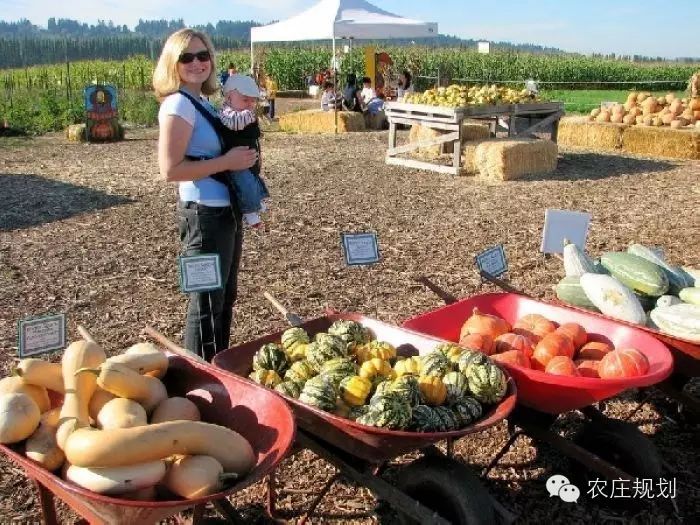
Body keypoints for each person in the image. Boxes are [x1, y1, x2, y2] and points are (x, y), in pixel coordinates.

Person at [154, 28, 257, 360]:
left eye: (203, 55)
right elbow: (170, 169)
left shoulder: (202, 103)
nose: (197, 63)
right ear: (173, 63)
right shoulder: (177, 105)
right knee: (205, 304)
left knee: (224, 297)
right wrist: (226, 161)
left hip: (223, 212)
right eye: (187, 57)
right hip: (203, 215)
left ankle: (218, 366)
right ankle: (202, 377)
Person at [219, 73, 269, 228]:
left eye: (252, 101)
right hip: (236, 161)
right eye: (245, 100)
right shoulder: (227, 114)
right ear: (228, 99)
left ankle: (256, 201)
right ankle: (249, 210)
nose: (249, 104)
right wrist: (250, 116)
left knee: (253, 179)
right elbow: (235, 124)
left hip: (247, 157)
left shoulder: (240, 112)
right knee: (244, 182)